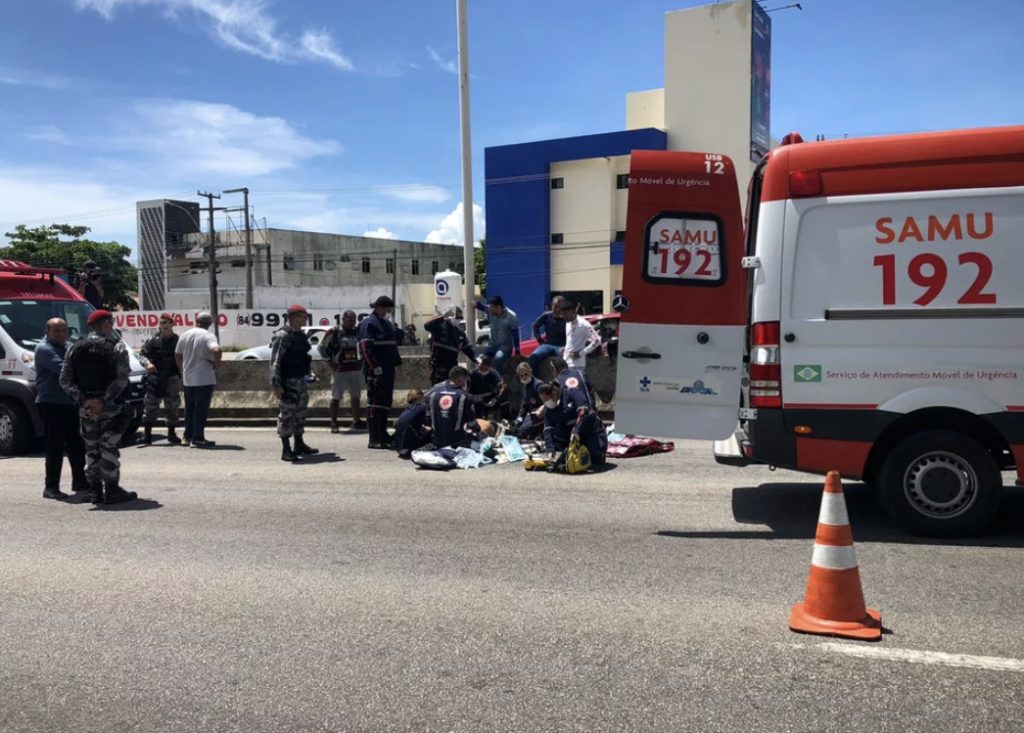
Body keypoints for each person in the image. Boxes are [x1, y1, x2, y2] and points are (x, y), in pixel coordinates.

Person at [58, 310, 138, 505]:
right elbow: (122, 379)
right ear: (105, 325)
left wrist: (84, 400)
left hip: (86, 410)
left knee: (91, 448)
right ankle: (112, 490)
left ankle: (95, 491)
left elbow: (65, 380)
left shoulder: (74, 348)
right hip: (109, 408)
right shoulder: (116, 348)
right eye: (110, 322)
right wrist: (103, 400)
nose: (112, 326)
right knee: (109, 447)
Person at [35, 318, 88, 500]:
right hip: (51, 403)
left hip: (69, 403)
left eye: (65, 330)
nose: (62, 334)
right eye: (57, 331)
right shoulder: (44, 349)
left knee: (76, 444)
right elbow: (64, 369)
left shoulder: (68, 346)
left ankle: (80, 482)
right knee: (55, 446)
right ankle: (51, 487)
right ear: (47, 331)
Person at [270, 305, 319, 462]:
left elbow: (304, 357)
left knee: (300, 414)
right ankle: (286, 449)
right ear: (294, 316)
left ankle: (299, 444)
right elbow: (275, 361)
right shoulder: (283, 335)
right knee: (287, 415)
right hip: (288, 382)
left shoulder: (300, 335)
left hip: (300, 380)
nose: (306, 318)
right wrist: (276, 385)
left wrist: (309, 372)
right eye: (303, 316)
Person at [359, 295, 403, 449]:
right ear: (380, 308)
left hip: (388, 370)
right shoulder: (368, 323)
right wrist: (374, 368)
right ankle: (374, 438)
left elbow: (393, 344)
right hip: (375, 371)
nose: (389, 312)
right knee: (375, 404)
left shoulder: (385, 324)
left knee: (385, 403)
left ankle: (383, 434)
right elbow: (365, 348)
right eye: (388, 309)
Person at [174, 311, 222, 448]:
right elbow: (217, 350)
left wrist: (182, 369)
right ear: (209, 324)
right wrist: (217, 364)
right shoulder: (208, 336)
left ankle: (187, 437)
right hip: (205, 378)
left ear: (196, 321)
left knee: (189, 409)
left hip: (188, 378)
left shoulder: (185, 335)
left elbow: (177, 355)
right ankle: (198, 438)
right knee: (200, 410)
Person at [537, 379, 607, 466]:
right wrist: (550, 449)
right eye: (543, 401)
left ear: (554, 394)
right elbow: (547, 428)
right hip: (568, 431)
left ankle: (597, 452)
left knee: (594, 460)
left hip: (587, 428)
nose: (546, 403)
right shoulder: (548, 408)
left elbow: (584, 411)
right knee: (556, 432)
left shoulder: (571, 392)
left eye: (546, 399)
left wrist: (576, 432)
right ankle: (566, 453)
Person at [139, 313, 182, 445]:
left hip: (172, 377)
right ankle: (147, 435)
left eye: (166, 323)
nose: (164, 325)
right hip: (155, 377)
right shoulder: (153, 340)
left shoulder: (178, 340)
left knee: (173, 406)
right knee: (150, 406)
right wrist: (147, 363)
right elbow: (141, 355)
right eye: (162, 323)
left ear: (172, 324)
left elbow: (183, 356)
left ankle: (171, 433)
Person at [319, 310, 365, 433]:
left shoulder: (357, 332)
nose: (352, 322)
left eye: (354, 320)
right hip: (340, 370)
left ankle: (356, 420)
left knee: (356, 396)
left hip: (355, 369)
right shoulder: (334, 332)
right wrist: (330, 362)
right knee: (336, 397)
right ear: (343, 319)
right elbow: (321, 347)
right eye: (350, 320)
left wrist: (362, 361)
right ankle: (334, 422)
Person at [423, 307, 476, 386]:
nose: (458, 320)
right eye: (457, 317)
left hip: (452, 367)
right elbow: (426, 325)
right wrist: (442, 316)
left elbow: (467, 349)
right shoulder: (439, 326)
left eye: (460, 318)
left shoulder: (460, 333)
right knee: (438, 388)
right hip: (438, 366)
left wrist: (476, 359)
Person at [428, 366, 476, 449]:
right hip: (455, 441)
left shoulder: (433, 394)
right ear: (461, 379)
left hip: (437, 441)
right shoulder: (465, 397)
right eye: (465, 380)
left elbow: (428, 417)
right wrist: (477, 430)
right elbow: (471, 423)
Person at [528, 296, 568, 373]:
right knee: (533, 357)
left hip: (562, 346)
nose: (557, 309)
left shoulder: (567, 317)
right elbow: (535, 326)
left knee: (564, 359)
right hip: (547, 345)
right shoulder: (546, 316)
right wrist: (540, 340)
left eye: (560, 307)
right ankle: (536, 381)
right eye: (555, 306)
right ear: (552, 305)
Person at [559, 300, 601, 371]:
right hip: (566, 362)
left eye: (566, 314)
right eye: (562, 315)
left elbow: (597, 340)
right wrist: (565, 349)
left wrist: (580, 353)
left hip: (577, 365)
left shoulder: (583, 324)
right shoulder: (568, 323)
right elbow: (572, 340)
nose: (564, 317)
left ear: (573, 312)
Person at [481, 295, 519, 373]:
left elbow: (515, 336)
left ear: (498, 307)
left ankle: (498, 379)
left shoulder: (511, 317)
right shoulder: (490, 311)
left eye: (492, 307)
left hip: (505, 347)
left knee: (498, 358)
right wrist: (474, 303)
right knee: (480, 358)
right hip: (492, 345)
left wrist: (517, 352)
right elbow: (481, 306)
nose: (490, 308)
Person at [468, 354, 508, 421]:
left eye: (485, 364)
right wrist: (472, 397)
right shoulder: (472, 373)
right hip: (475, 398)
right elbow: (466, 386)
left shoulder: (494, 374)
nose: (482, 366)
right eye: (481, 364)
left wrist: (495, 398)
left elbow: (501, 385)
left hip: (489, 398)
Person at [393, 389, 431, 459]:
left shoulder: (408, 409)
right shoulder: (422, 408)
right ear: (419, 397)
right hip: (410, 445)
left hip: (399, 445)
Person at [513, 362, 546, 441]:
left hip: (541, 417)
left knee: (523, 432)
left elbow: (547, 402)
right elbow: (524, 406)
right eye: (522, 375)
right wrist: (518, 420)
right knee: (517, 429)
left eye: (526, 374)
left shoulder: (538, 385)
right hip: (532, 416)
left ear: (530, 371)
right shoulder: (525, 386)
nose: (524, 377)